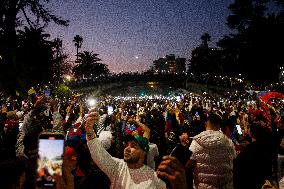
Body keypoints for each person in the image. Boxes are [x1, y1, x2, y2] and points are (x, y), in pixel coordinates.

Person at [85, 108, 167, 189]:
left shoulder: (156, 181)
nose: (127, 149)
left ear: (143, 151)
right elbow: (98, 152)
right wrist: (89, 129)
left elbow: (147, 131)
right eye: (127, 145)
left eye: (133, 146)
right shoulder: (117, 167)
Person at [187, 113, 236, 189]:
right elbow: (233, 161)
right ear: (219, 126)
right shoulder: (229, 142)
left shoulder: (196, 141)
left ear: (206, 123)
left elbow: (189, 165)